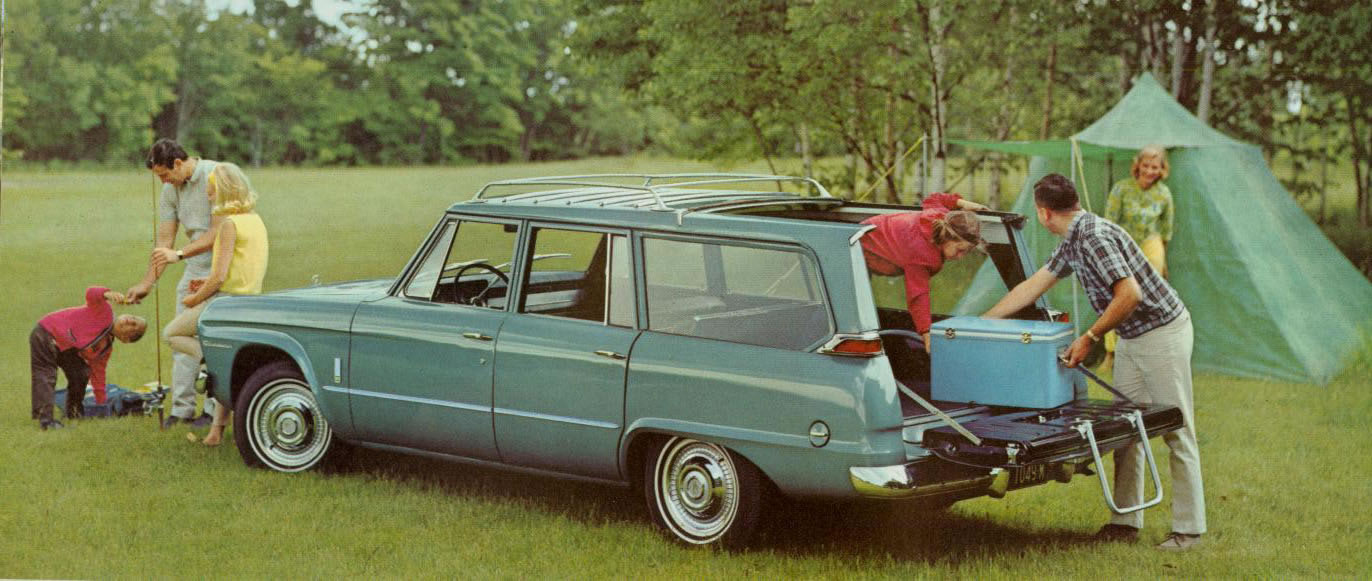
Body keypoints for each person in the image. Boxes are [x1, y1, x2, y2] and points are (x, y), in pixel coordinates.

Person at [983, 173, 1205, 551]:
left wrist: (1090, 337)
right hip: (1133, 335)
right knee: (1126, 428)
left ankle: (1189, 530)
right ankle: (1125, 522)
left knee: (1176, 428)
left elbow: (1130, 294)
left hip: (1162, 332)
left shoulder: (1094, 238)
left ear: (1044, 213)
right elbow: (1032, 286)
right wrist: (981, 323)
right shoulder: (1073, 238)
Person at [162, 162, 269, 446]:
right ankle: (215, 433)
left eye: (211, 191)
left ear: (223, 191)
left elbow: (219, 276)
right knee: (226, 362)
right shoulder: (255, 220)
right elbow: (240, 266)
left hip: (225, 302)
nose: (208, 197)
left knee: (172, 333)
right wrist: (204, 282)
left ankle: (208, 360)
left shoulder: (229, 225)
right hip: (250, 299)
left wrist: (194, 298)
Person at [126, 138, 220, 428]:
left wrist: (179, 254)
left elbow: (219, 233)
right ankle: (181, 410)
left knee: (215, 339)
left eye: (164, 174)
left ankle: (213, 411)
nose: (163, 182)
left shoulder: (216, 175)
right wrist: (146, 283)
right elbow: (165, 241)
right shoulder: (170, 190)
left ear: (178, 163)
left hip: (223, 268)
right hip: (194, 267)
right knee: (180, 337)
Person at [860, 193, 988, 352]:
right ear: (946, 237)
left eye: (967, 252)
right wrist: (926, 334)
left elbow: (933, 198)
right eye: (960, 250)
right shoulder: (921, 253)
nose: (961, 257)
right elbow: (918, 295)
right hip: (859, 250)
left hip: (869, 231)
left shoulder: (939, 216)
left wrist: (963, 203)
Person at [30, 287, 147, 430]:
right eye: (133, 317)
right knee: (46, 375)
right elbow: (91, 294)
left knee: (81, 372)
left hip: (65, 346)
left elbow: (98, 375)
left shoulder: (105, 348)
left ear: (126, 339)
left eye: (134, 326)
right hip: (46, 332)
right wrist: (107, 294)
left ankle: (74, 412)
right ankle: (46, 420)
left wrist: (102, 404)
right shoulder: (104, 311)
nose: (130, 320)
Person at [1101, 145, 1175, 369]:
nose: (1150, 171)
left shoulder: (1164, 193)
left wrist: (1163, 261)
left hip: (1151, 243)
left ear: (1162, 169)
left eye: (1155, 167)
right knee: (1118, 297)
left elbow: (1166, 230)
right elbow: (1109, 222)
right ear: (1138, 166)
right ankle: (1111, 353)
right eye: (1146, 166)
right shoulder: (1121, 188)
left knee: (1150, 298)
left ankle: (1147, 353)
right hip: (1124, 243)